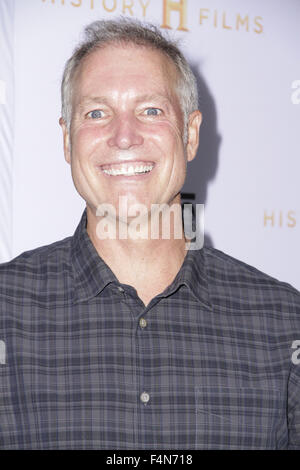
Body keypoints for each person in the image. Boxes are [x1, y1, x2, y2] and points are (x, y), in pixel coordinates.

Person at [0, 17, 299, 450]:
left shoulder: (283, 321)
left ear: (191, 134)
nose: (124, 136)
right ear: (67, 140)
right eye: (97, 112)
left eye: (151, 110)